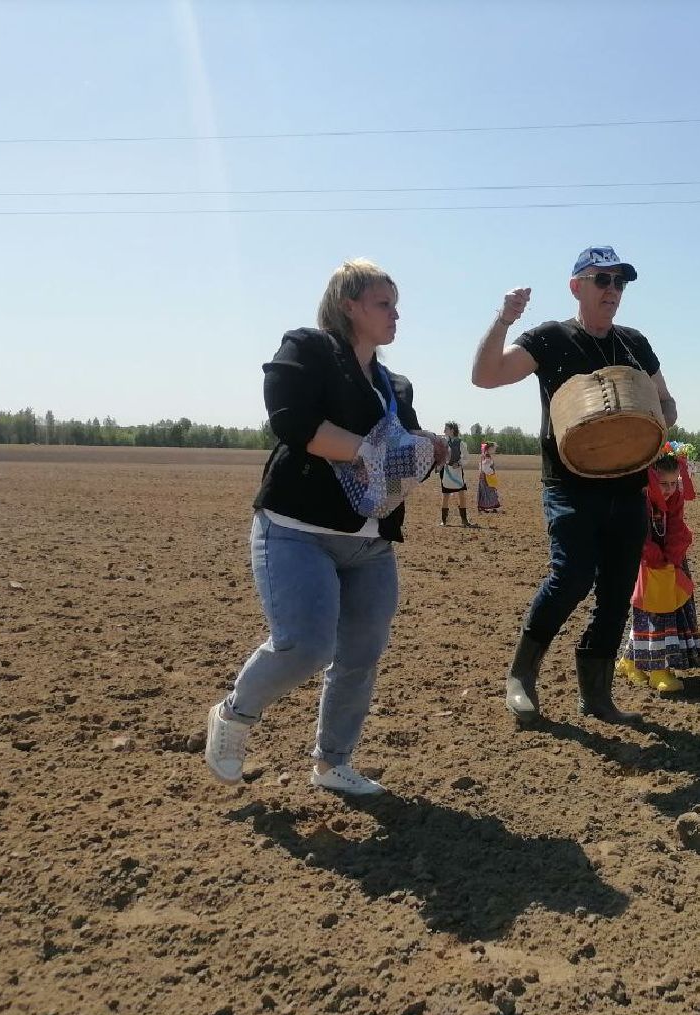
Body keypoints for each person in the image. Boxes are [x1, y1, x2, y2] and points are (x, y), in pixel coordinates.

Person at [204, 258, 446, 797]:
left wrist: (428, 450)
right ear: (349, 305)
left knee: (361, 654)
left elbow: (399, 456)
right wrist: (367, 451)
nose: (396, 314)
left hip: (370, 543)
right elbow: (291, 421)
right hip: (296, 529)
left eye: (396, 304)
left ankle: (332, 763)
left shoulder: (395, 385)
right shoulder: (309, 350)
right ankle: (234, 715)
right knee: (306, 646)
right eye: (384, 303)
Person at [471, 245, 678, 726]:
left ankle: (596, 694)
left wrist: (655, 421)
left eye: (619, 282)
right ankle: (521, 675)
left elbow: (666, 401)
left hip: (628, 485)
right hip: (568, 484)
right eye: (602, 280)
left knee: (616, 590)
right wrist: (502, 320)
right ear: (576, 286)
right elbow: (486, 376)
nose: (612, 290)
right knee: (571, 577)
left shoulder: (633, 344)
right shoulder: (549, 339)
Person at [617, 454, 700, 693]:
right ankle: (658, 669)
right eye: (663, 484)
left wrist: (673, 555)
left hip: (671, 563)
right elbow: (637, 534)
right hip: (647, 563)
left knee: (666, 610)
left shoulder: (675, 497)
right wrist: (656, 559)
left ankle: (629, 661)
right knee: (655, 613)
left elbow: (677, 525)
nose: (669, 489)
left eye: (673, 483)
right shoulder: (639, 499)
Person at [439, 421, 474, 527]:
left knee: (461, 495)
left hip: (457, 471)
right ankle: (444, 521)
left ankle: (464, 520)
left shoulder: (461, 443)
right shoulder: (443, 442)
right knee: (445, 495)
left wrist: (459, 463)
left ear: (452, 430)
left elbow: (466, 457)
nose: (444, 431)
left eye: (446, 429)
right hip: (446, 471)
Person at [477, 441, 501, 513]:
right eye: (493, 449)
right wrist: (491, 472)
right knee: (488, 491)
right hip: (486, 477)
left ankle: (485, 506)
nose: (494, 450)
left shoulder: (485, 455)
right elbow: (485, 468)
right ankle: (488, 506)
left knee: (485, 491)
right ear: (489, 448)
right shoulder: (487, 457)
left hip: (483, 476)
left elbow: (481, 467)